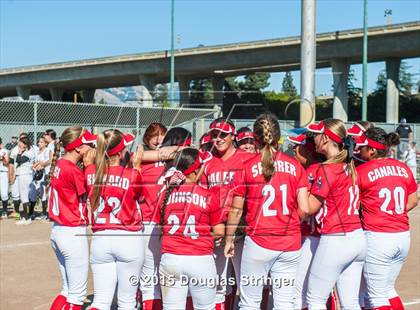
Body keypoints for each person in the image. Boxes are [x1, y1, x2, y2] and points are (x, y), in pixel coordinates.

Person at [224, 113, 309, 309]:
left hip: (259, 241)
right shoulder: (295, 165)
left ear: (254, 139)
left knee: (249, 303)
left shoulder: (247, 166)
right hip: (290, 242)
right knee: (284, 302)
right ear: (278, 138)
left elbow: (236, 210)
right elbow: (304, 209)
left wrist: (229, 239)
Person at [306, 119, 367, 309]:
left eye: (316, 135)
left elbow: (309, 208)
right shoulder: (348, 165)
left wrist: (299, 187)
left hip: (335, 239)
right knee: (350, 302)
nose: (313, 139)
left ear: (326, 139)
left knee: (314, 300)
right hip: (357, 237)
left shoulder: (327, 168)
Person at [356, 127, 418, 310]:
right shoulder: (403, 168)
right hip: (402, 236)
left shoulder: (363, 170)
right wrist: (393, 211)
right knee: (388, 290)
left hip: (378, 237)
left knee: (375, 296)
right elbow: (413, 200)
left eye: (363, 147)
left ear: (373, 150)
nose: (359, 150)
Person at [85, 130, 146, 310]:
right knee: (126, 302)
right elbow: (140, 197)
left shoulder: (90, 172)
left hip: (101, 240)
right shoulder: (132, 174)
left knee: (101, 302)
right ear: (120, 153)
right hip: (128, 239)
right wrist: (137, 167)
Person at [158, 148, 225, 310]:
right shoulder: (208, 195)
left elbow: (161, 226)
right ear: (195, 171)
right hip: (200, 260)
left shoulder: (165, 194)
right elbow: (219, 231)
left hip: (171, 259)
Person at [202, 117, 254, 309]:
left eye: (223, 135)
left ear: (233, 136)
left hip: (242, 228)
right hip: (216, 228)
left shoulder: (247, 158)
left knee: (247, 284)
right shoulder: (207, 160)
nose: (218, 139)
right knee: (219, 284)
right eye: (214, 135)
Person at [139, 127, 193, 310]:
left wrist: (172, 150)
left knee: (152, 279)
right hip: (161, 224)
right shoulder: (185, 161)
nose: (159, 141)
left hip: (157, 224)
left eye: (162, 137)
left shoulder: (145, 159)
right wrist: (176, 150)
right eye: (154, 137)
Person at [48, 126, 96, 310]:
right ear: (77, 148)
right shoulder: (72, 170)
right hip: (72, 232)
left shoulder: (62, 163)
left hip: (58, 231)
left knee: (67, 290)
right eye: (87, 144)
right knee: (77, 295)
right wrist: (90, 166)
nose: (91, 146)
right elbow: (91, 192)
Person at [15, 135, 36, 225]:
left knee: (24, 196)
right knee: (23, 196)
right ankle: (25, 217)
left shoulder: (29, 152)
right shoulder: (25, 151)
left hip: (25, 175)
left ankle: (26, 218)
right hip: (22, 175)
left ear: (25, 144)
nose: (19, 144)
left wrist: (20, 152)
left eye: (21, 142)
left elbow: (19, 160)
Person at [29, 136, 50, 220]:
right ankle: (31, 213)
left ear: (45, 143)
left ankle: (44, 213)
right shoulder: (37, 151)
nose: (39, 143)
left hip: (43, 174)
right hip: (36, 174)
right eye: (38, 142)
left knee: (43, 194)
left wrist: (39, 165)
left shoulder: (47, 150)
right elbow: (36, 162)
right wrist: (34, 166)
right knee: (33, 193)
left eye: (41, 142)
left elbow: (47, 161)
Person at [0, 138, 9, 218]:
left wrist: (2, 158)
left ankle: (5, 210)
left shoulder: (4, 151)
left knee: (4, 192)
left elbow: (7, 163)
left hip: (3, 172)